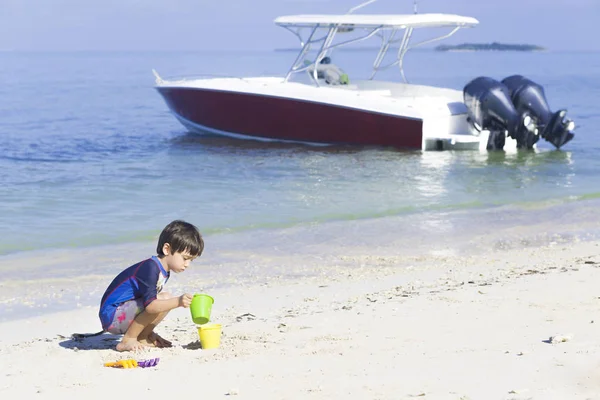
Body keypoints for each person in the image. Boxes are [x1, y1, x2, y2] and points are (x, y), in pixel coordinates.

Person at [98, 220, 204, 352]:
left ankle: (143, 336)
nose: (187, 264)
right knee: (163, 300)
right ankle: (128, 340)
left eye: (191, 260)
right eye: (185, 258)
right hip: (112, 316)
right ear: (167, 249)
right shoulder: (150, 268)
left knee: (164, 298)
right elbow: (151, 307)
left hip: (123, 313)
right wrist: (178, 301)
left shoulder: (164, 271)